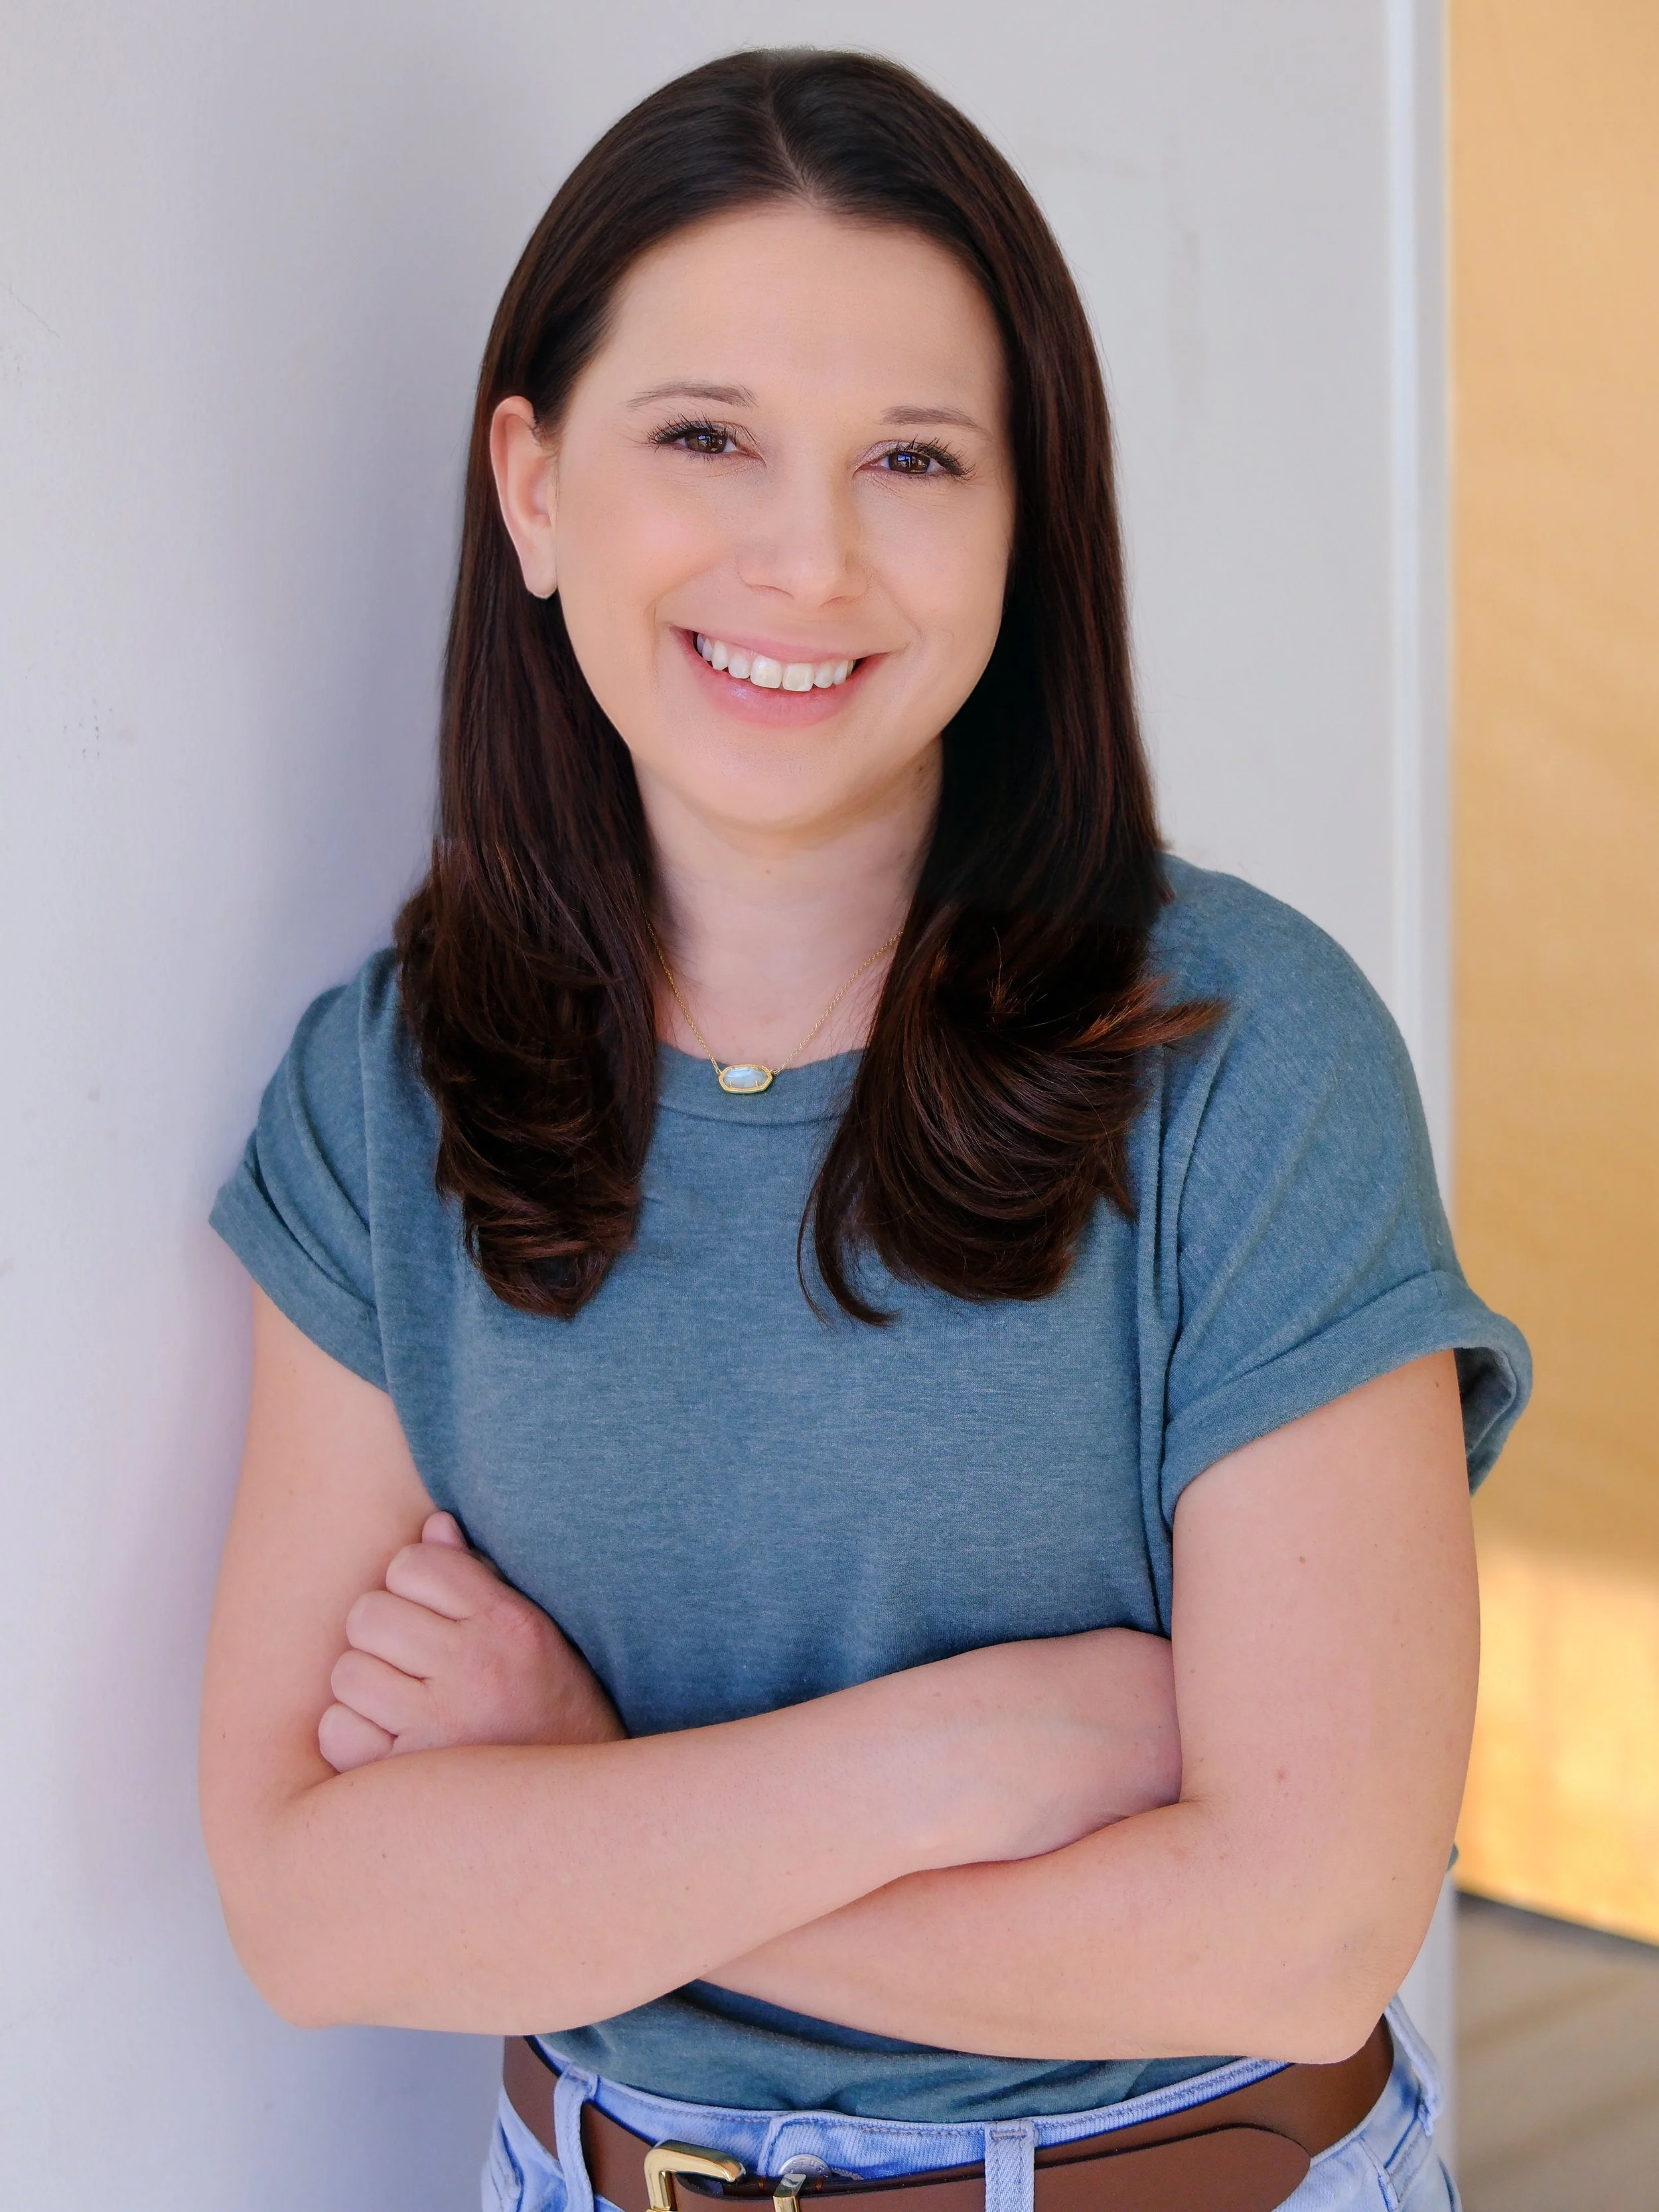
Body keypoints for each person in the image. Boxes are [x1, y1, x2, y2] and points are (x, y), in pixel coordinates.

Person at [200, 48, 1528, 2212]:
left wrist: (573, 1815)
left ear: (1026, 527)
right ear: (534, 489)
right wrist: (947, 1762)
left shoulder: (1249, 1057)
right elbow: (306, 1907)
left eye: (912, 457)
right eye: (705, 436)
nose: (802, 557)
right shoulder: (387, 1092)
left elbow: (1299, 1933)